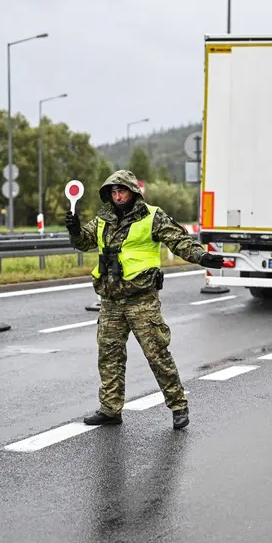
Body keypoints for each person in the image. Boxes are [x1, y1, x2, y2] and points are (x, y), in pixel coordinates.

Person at [64, 170, 224, 429]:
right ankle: (110, 409)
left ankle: (178, 406)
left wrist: (202, 257)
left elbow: (179, 240)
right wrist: (74, 231)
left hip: (142, 300)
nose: (117, 196)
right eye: (113, 192)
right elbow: (84, 242)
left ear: (132, 192)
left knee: (157, 354)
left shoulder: (152, 216)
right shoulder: (103, 219)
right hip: (111, 299)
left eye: (122, 191)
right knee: (109, 356)